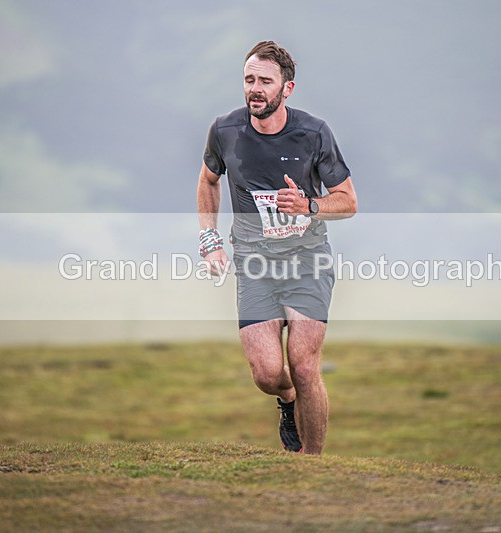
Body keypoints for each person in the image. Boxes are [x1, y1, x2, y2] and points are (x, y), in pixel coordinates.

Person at [196, 41, 357, 455]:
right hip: (254, 264)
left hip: (307, 260)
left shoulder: (313, 133)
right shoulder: (225, 130)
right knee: (269, 374)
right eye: (249, 80)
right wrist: (209, 239)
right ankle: (286, 402)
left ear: (287, 89)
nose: (255, 88)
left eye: (265, 81)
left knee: (304, 366)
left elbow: (348, 201)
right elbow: (208, 181)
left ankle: (312, 466)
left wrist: (309, 205)